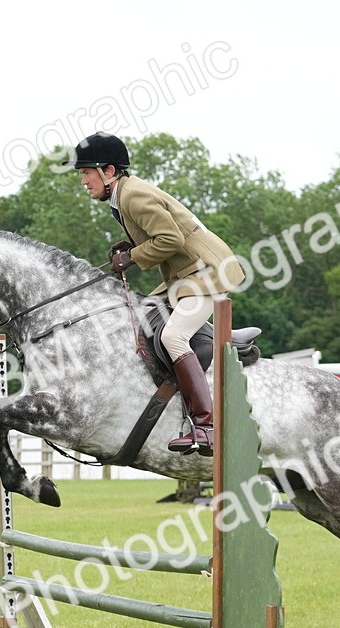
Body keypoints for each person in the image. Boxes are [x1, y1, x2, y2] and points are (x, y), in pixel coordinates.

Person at [66, 132, 248, 456]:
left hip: (207, 271)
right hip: (185, 276)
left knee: (172, 337)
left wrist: (132, 257)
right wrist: (133, 247)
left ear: (108, 171)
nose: (83, 181)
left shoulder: (132, 195)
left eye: (86, 172)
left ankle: (205, 427)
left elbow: (171, 240)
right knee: (141, 317)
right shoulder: (125, 194)